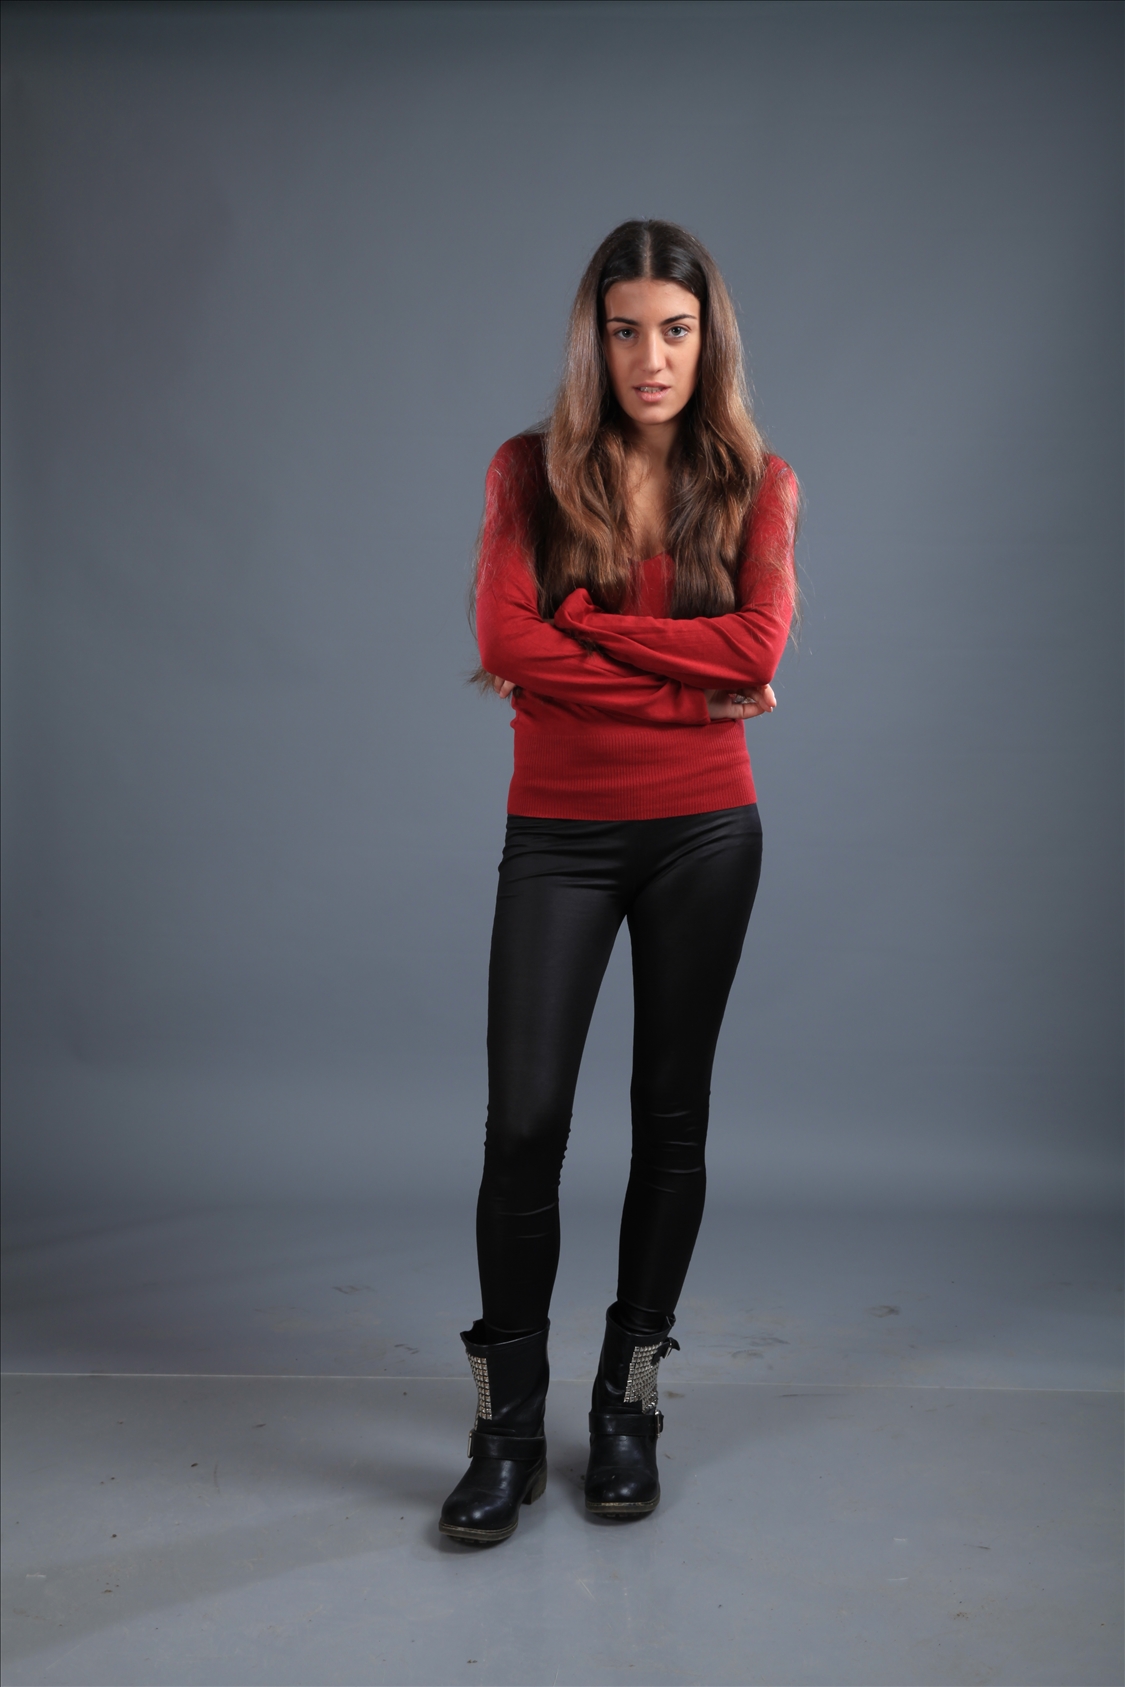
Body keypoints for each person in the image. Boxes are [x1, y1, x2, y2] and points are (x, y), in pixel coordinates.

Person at [439, 220, 798, 1545]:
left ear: (709, 343)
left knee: (670, 1122)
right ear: (593, 341)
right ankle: (505, 1431)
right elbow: (501, 635)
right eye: (627, 330)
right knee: (524, 1125)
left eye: (676, 332)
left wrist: (585, 632)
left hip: (706, 835)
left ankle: (627, 1407)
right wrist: (689, 685)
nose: (652, 357)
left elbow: (759, 644)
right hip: (560, 835)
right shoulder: (526, 472)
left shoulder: (760, 484)